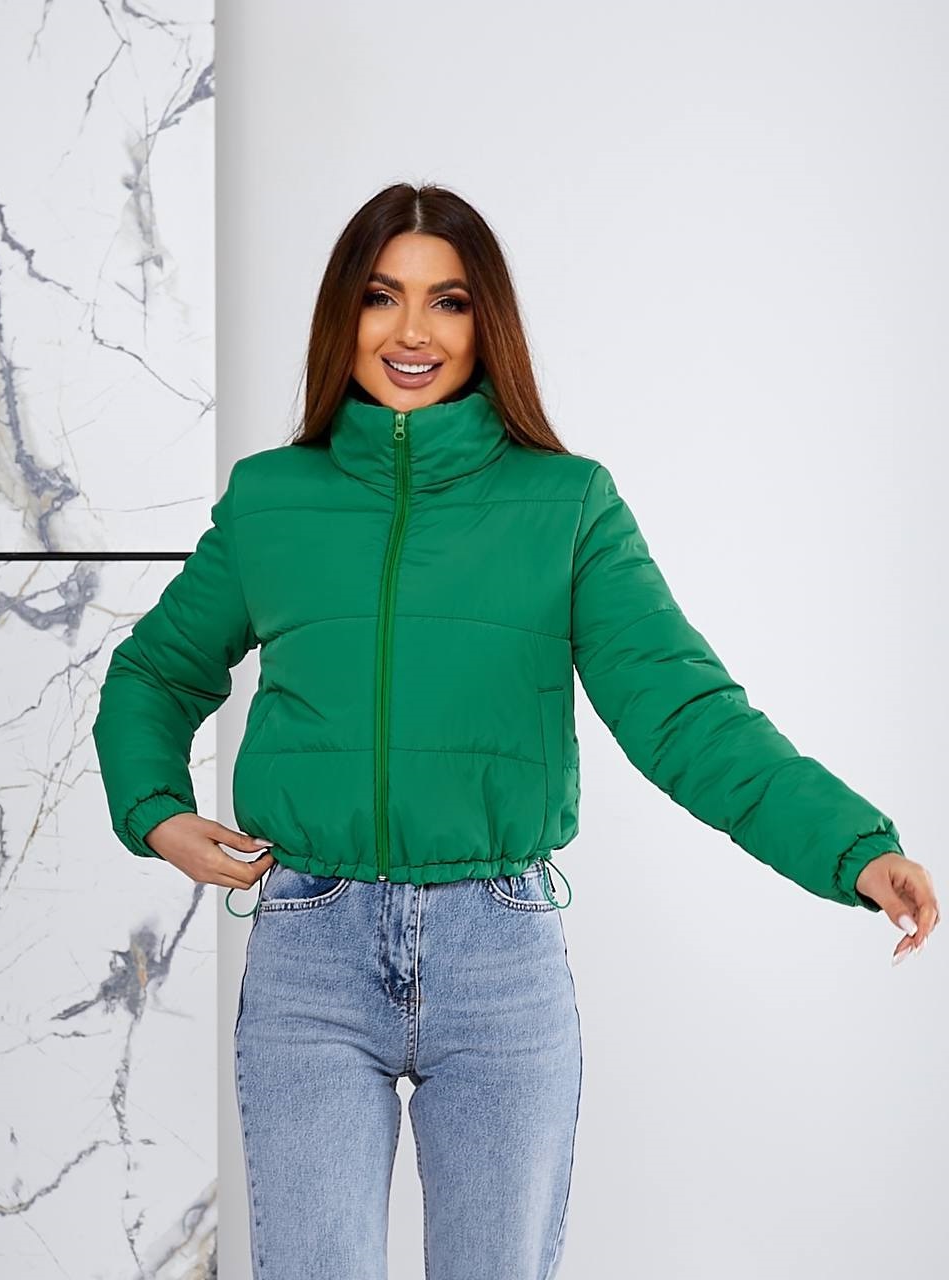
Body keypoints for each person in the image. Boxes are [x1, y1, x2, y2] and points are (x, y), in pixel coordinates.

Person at [92, 182, 940, 1280]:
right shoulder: (271, 500)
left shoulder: (568, 504)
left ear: (485, 320)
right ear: (342, 315)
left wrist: (851, 846)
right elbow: (155, 672)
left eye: (447, 301)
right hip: (310, 950)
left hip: (498, 955)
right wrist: (157, 812)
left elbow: (685, 712)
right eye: (382, 297)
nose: (412, 331)